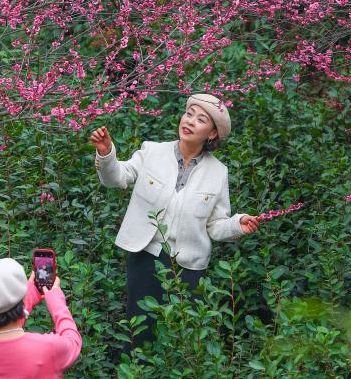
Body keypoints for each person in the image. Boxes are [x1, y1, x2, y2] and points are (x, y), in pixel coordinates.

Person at [90, 92, 259, 346]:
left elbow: (215, 225)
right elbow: (117, 178)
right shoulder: (152, 151)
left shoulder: (218, 172)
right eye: (189, 114)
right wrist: (106, 154)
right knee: (140, 328)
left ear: (212, 134)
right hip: (145, 255)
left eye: (201, 119)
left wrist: (238, 224)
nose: (190, 121)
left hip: (189, 267)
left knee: (181, 336)